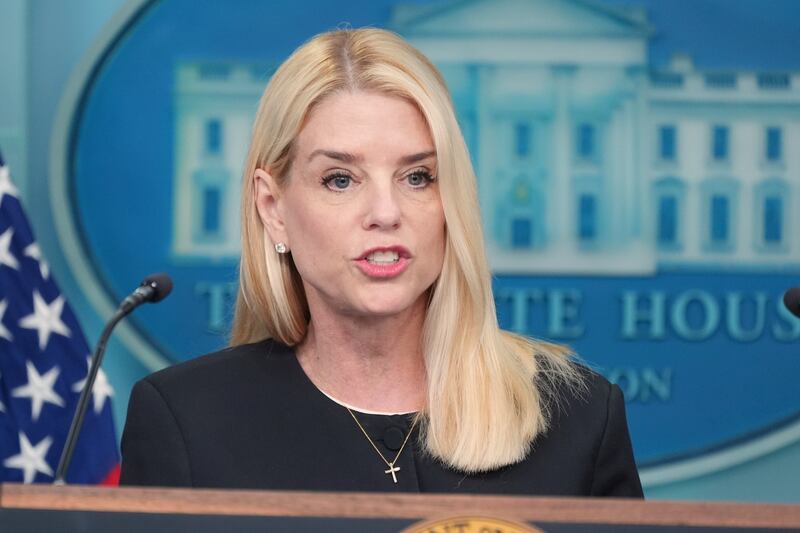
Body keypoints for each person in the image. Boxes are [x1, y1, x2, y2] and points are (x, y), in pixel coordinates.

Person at [120, 28, 643, 497]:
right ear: (273, 209)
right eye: (340, 180)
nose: (386, 213)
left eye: (417, 177)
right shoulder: (185, 421)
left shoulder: (579, 418)